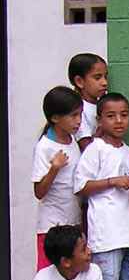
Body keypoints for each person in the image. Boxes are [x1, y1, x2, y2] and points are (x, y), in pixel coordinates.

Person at [72, 92, 129, 280]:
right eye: (111, 116)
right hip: (107, 236)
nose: (119, 121)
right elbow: (81, 186)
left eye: (124, 115)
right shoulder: (96, 149)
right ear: (99, 120)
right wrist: (112, 181)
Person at [33, 86, 83, 269]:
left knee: (71, 274)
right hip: (51, 227)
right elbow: (39, 192)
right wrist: (54, 168)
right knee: (49, 273)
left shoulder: (73, 141)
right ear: (55, 118)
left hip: (73, 223)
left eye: (80, 115)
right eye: (73, 116)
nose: (78, 121)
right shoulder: (45, 147)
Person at [67, 52, 108, 150]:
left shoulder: (101, 105)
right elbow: (87, 147)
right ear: (79, 81)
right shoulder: (78, 109)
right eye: (97, 78)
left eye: (105, 77)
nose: (105, 83)